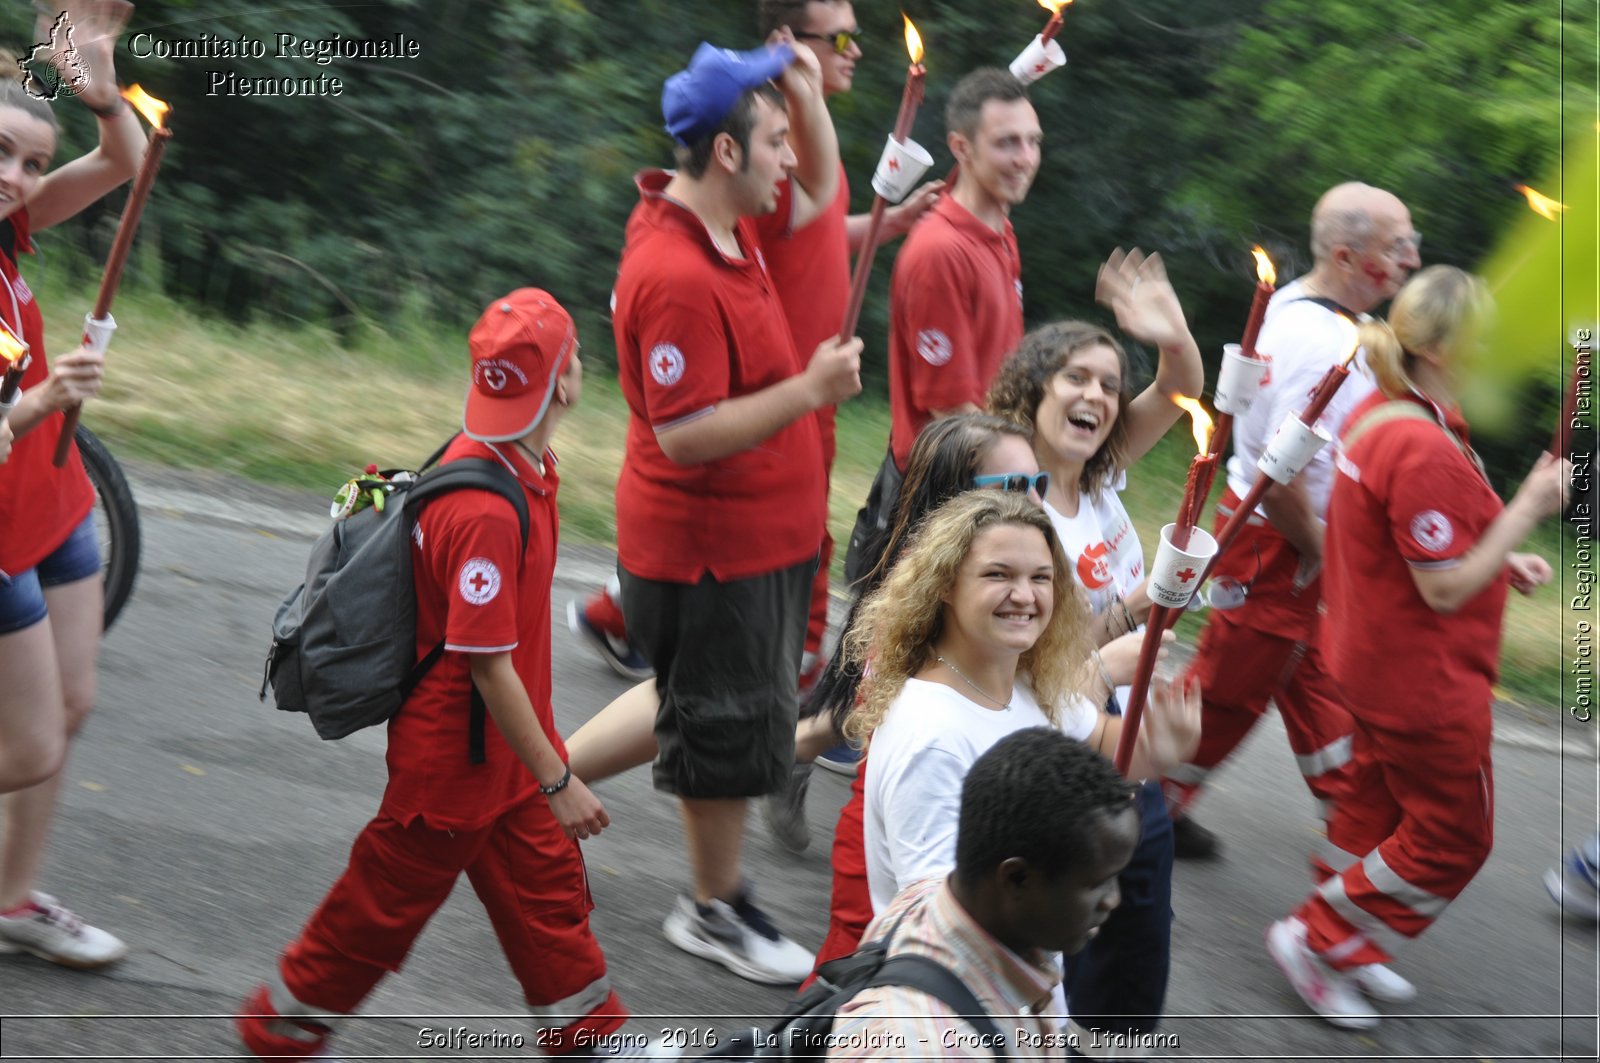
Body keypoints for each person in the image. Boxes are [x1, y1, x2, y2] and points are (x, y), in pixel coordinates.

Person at [236, 290, 625, 1059]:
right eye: (576, 356)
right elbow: (486, 668)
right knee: (378, 910)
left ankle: (590, 1040)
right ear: (562, 385)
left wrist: (536, 763)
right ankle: (276, 1026)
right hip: (453, 766)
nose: (583, 367)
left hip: (507, 755)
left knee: (548, 900)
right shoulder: (484, 506)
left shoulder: (521, 462)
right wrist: (558, 779)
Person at [569, 0, 942, 777]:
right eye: (837, 36)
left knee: (718, 670)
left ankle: (666, 691)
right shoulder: (751, 163)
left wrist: (887, 221)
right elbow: (685, 423)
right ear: (788, 42)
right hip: (774, 415)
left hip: (797, 405)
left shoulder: (766, 161)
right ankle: (771, 718)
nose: (854, 48)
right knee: (723, 675)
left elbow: (819, 214)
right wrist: (800, 96)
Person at [606, 39, 861, 985]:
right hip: (709, 555)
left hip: (764, 544)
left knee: (718, 712)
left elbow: (823, 182)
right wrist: (810, 389)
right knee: (717, 731)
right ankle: (712, 908)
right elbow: (686, 432)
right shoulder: (672, 270)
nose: (790, 159)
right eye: (775, 141)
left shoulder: (733, 224)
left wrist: (794, 78)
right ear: (726, 152)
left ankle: (538, 783)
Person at [1267, 265, 1565, 1029]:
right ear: (1439, 346)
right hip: (1422, 682)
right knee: (1455, 834)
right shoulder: (1419, 439)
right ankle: (1319, 935)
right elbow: (1441, 588)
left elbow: (1414, 545)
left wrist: (1502, 554)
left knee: (1373, 807)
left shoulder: (1388, 411)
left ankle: (1345, 938)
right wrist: (1529, 507)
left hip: (1369, 664)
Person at [983, 248, 1203, 1054]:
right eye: (1076, 377)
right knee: (1054, 938)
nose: (1098, 395)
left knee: (1139, 930)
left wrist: (1168, 332)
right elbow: (1014, 651)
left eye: (1111, 383)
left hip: (1113, 728)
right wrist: (1133, 620)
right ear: (1033, 390)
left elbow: (1182, 390)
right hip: (1042, 740)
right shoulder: (1008, 495)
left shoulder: (1100, 475)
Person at [1169, 182, 1423, 862]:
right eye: (1398, 247)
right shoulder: (1320, 339)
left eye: (1411, 243)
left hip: (1294, 541)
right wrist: (1326, 554)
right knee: (1230, 686)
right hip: (1280, 543)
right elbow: (1274, 477)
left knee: (1314, 675)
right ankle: (1143, 800)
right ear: (1346, 254)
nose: (1411, 261)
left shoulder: (1307, 310)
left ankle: (1350, 811)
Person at [844, 491, 1196, 916]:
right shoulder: (931, 739)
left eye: (1041, 578)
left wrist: (1156, 747)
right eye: (998, 574)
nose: (1025, 596)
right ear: (945, 586)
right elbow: (935, 916)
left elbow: (1102, 744)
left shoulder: (1030, 682)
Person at [0, 0, 147, 969]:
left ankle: (11, 900)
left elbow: (127, 163)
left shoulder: (9, 228)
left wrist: (101, 94)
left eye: (29, 163)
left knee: (70, 710)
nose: (16, 181)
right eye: (1, 154)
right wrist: (39, 400)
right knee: (28, 748)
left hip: (55, 506)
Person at [826, 728, 1141, 1061]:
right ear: (1017, 879)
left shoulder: (929, 896)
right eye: (1097, 884)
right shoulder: (926, 1048)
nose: (1113, 900)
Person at [844, 67, 1043, 586]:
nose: (1024, 158)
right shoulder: (939, 253)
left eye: (1031, 141)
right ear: (962, 146)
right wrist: (1027, 484)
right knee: (876, 667)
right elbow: (950, 412)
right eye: (1006, 143)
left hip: (982, 483)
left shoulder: (1000, 229)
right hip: (930, 503)